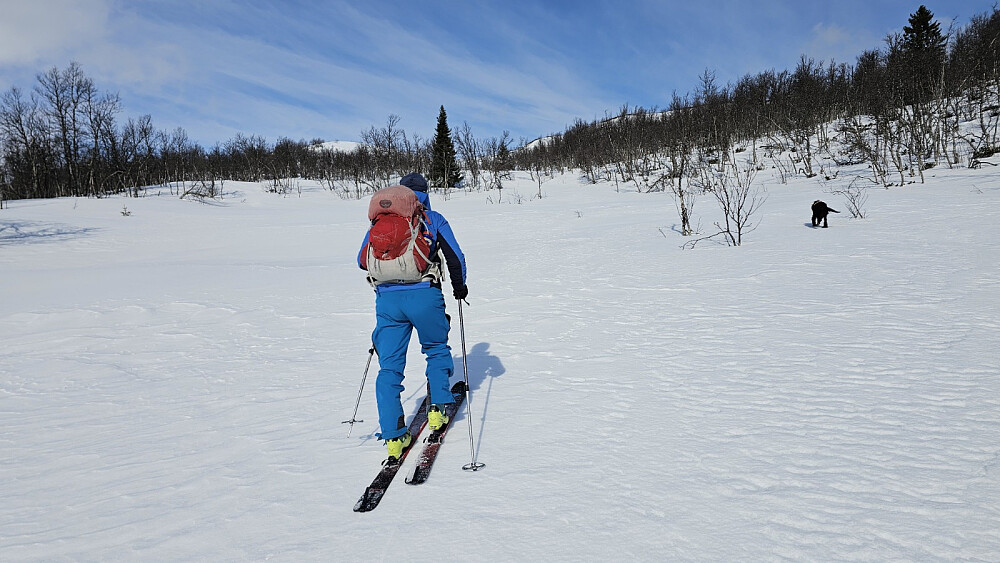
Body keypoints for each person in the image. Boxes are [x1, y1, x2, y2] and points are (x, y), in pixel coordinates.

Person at [357, 172, 469, 461]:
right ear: (425, 193)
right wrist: (460, 288)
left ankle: (393, 436)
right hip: (424, 295)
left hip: (387, 301)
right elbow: (455, 256)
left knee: (390, 367)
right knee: (435, 349)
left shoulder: (382, 220)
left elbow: (361, 259)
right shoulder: (432, 218)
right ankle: (439, 410)